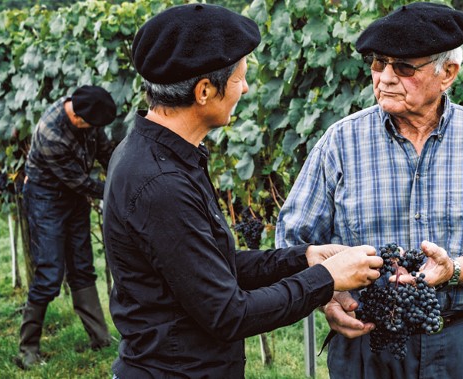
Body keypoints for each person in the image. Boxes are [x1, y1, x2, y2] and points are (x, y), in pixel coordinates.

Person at [102, 4, 384, 378]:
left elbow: (210, 266)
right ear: (204, 91)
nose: (247, 88)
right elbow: (228, 314)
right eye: (239, 78)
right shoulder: (162, 184)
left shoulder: (159, 153)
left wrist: (306, 258)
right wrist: (327, 279)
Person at [276, 2, 463, 378]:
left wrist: (456, 269)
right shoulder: (340, 143)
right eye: (378, 63)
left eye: (404, 67)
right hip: (369, 343)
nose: (385, 77)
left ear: (448, 73)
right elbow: (293, 242)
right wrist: (330, 298)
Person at [17, 85, 116, 368]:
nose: (97, 131)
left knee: (83, 267)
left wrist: (124, 173)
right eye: (94, 127)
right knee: (49, 273)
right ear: (79, 119)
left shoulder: (89, 114)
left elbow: (106, 152)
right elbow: (81, 182)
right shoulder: (52, 133)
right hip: (45, 198)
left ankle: (100, 339)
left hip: (73, 198)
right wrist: (113, 191)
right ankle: (28, 350)